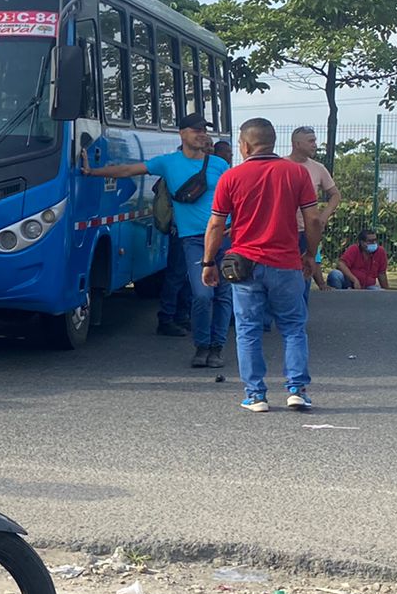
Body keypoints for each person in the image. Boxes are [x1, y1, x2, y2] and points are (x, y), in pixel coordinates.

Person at [86, 114, 233, 366]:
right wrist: (92, 171)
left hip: (225, 235)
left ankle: (216, 348)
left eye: (204, 130)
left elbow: (236, 197)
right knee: (202, 295)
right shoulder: (168, 163)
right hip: (193, 239)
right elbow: (127, 170)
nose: (202, 134)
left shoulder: (219, 165)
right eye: (196, 130)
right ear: (182, 134)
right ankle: (201, 346)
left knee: (223, 295)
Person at [204, 118, 321, 412]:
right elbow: (313, 220)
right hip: (287, 263)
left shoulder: (231, 177)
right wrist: (310, 254)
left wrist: (208, 262)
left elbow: (217, 224)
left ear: (244, 145)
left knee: (248, 329)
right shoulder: (297, 173)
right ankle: (297, 390)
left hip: (245, 264)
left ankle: (255, 395)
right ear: (274, 142)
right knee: (294, 327)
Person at [287, 127, 341, 293]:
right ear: (297, 144)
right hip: (284, 231)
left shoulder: (318, 168)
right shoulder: (281, 165)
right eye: (310, 141)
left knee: (304, 277)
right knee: (284, 278)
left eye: (315, 140)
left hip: (306, 231)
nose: (315, 145)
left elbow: (335, 195)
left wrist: (323, 217)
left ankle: (300, 316)